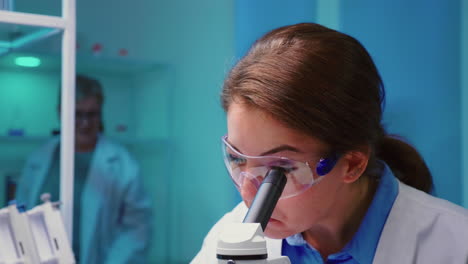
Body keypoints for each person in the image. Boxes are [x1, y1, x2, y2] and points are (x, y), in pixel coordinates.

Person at [191, 23, 468, 263]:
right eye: (238, 158)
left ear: (352, 164)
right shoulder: (226, 238)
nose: (248, 193)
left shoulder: (456, 247)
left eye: (281, 169)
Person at [15, 75, 152, 264]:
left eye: (92, 114)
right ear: (60, 113)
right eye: (77, 114)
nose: (85, 123)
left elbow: (137, 231)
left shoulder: (123, 166)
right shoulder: (39, 159)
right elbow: (21, 215)